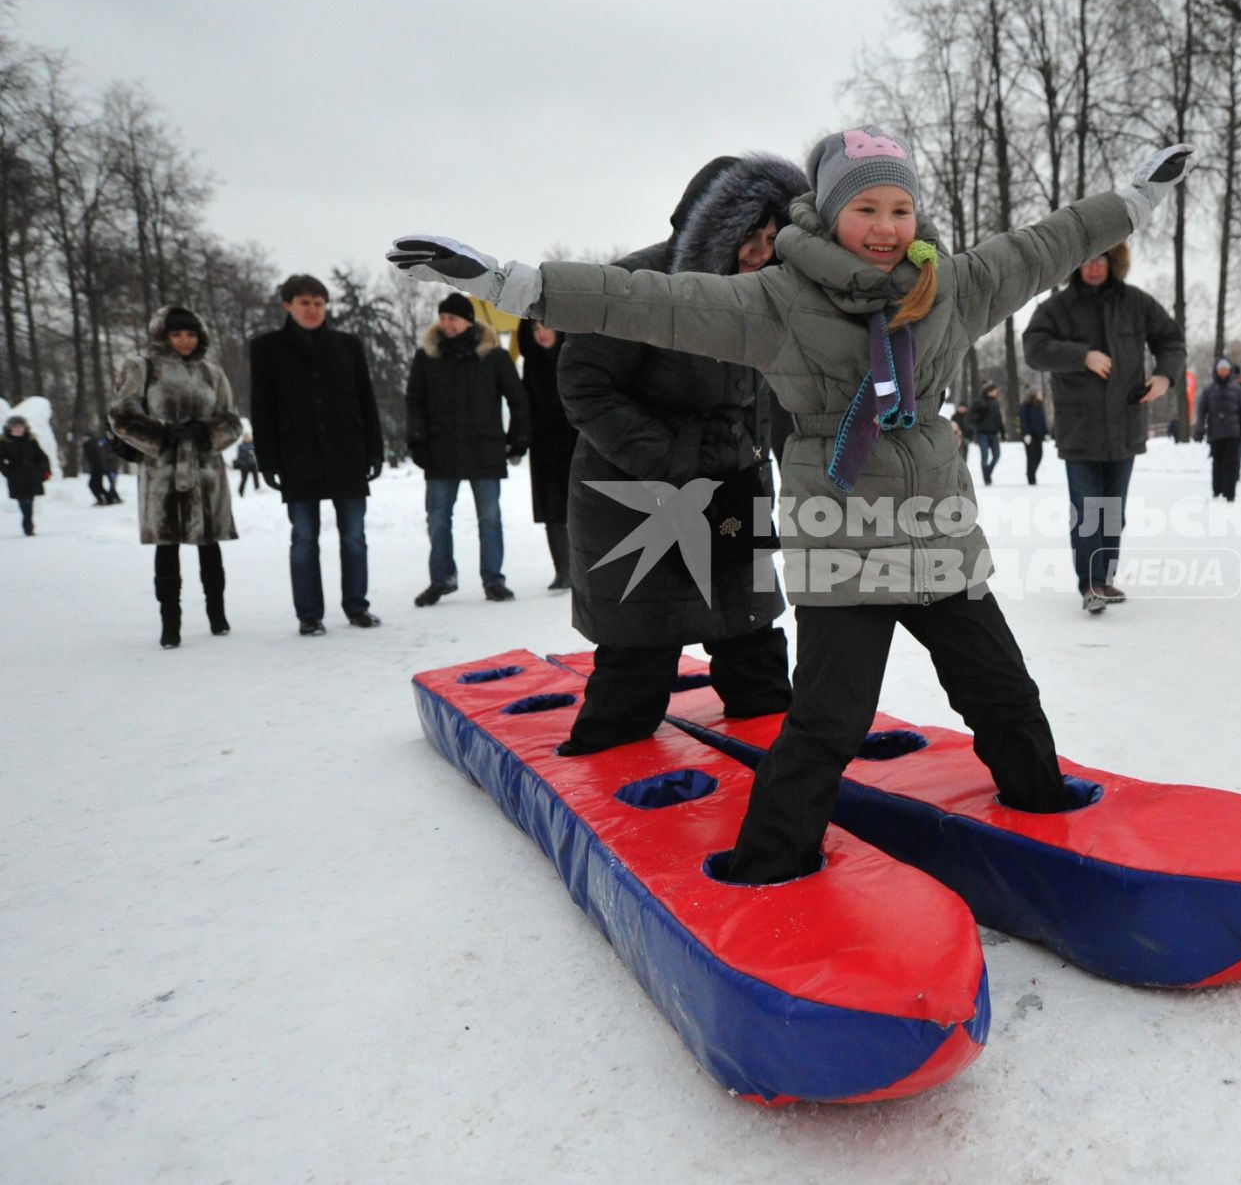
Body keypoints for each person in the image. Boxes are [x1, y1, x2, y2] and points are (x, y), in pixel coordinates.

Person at [389, 124, 1195, 884]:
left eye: (899, 209)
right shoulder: (779, 300)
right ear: (829, 212)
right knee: (827, 721)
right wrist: (512, 286)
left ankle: (1045, 816)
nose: (884, 227)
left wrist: (1135, 199)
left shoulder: (952, 286)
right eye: (866, 209)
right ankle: (770, 864)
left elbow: (1049, 241)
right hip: (840, 537)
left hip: (938, 535)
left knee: (1004, 692)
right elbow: (649, 302)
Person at [553, 154, 803, 756]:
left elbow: (778, 391)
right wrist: (673, 457)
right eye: (750, 235)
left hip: (735, 492)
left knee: (754, 647)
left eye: (774, 238)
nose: (760, 252)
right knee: (638, 660)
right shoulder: (640, 289)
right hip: (638, 496)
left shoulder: (768, 297)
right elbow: (583, 383)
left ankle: (791, 788)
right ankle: (611, 789)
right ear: (712, 226)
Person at [1020, 240, 1184, 611]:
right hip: (1080, 429)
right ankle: (1090, 584)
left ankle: (1105, 580)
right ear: (1076, 265)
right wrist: (1082, 356)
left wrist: (1164, 377)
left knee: (1114, 511)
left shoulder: (1136, 304)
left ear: (1114, 262)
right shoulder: (1058, 308)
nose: (1093, 268)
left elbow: (1171, 340)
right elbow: (1033, 348)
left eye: (1101, 260)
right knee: (1086, 509)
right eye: (1086, 261)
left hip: (1126, 425)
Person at [250, 274, 386, 635]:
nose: (312, 309)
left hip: (348, 455)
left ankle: (357, 606)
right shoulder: (267, 348)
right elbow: (262, 409)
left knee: (354, 536)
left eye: (318, 303)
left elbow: (366, 400)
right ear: (287, 305)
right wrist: (268, 460)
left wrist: (375, 450)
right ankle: (309, 614)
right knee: (305, 538)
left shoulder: (347, 345)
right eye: (304, 302)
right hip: (298, 458)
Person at [107, 306, 241, 647]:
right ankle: (170, 623)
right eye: (178, 334)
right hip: (162, 473)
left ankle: (218, 615)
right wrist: (162, 434)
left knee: (209, 547)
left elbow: (232, 420)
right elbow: (121, 414)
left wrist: (204, 431)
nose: (185, 340)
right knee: (166, 550)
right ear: (164, 336)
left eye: (191, 334)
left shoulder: (212, 373)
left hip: (205, 472)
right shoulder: (142, 368)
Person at [406, 293, 528, 606]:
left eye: (453, 318)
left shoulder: (494, 357)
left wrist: (518, 438)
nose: (447, 324)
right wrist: (416, 440)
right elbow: (414, 403)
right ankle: (441, 579)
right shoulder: (426, 357)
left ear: (468, 321)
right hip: (440, 450)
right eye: (443, 317)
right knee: (437, 518)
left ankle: (493, 580)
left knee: (489, 518)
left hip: (485, 449)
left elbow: (517, 399)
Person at [516, 319, 578, 591]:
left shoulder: (574, 358)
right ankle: (563, 569)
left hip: (576, 444)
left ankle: (583, 566)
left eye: (546, 326)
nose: (541, 334)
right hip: (544, 448)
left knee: (579, 506)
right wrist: (519, 441)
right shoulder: (531, 364)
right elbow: (522, 407)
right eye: (535, 329)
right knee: (552, 510)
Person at [1195, 357, 1241, 502]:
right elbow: (1202, 410)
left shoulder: (1237, 389)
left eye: (1226, 370)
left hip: (1233, 431)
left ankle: (1230, 492)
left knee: (1232, 462)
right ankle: (1217, 489)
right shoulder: (1209, 390)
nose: (1223, 373)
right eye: (1221, 370)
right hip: (1215, 431)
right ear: (1217, 371)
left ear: (1229, 372)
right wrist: (1199, 429)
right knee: (1218, 462)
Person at [1, 415, 51, 535]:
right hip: (16, 476)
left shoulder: (31, 441)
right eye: (15, 427)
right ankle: (28, 523)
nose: (18, 429)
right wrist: (7, 472)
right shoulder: (4, 442)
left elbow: (42, 457)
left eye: (20, 427)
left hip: (32, 475)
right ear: (9, 429)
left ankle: (28, 522)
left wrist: (45, 470)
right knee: (23, 500)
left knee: (30, 499)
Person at [968, 383, 1005, 484]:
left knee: (997, 455)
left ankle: (987, 473)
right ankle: (986, 478)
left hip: (994, 433)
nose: (996, 392)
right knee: (985, 456)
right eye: (994, 390)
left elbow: (999, 418)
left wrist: (1002, 432)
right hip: (982, 433)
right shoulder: (979, 402)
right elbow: (971, 417)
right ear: (989, 391)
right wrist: (980, 415)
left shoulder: (995, 403)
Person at [1018, 388, 1048, 485]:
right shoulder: (1025, 406)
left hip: (1038, 435)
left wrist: (1046, 432)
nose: (1041, 394)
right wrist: (1026, 434)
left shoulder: (1039, 405)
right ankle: (1031, 478)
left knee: (1039, 455)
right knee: (1031, 457)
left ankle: (1031, 472)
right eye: (1039, 393)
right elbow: (1023, 421)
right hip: (1029, 436)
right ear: (1033, 394)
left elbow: (1042, 420)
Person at [81, 430, 120, 505]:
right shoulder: (94, 443)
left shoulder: (91, 444)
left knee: (94, 485)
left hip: (101, 468)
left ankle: (109, 499)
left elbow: (99, 457)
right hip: (102, 468)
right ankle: (110, 499)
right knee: (99, 486)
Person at [233, 432, 261, 496]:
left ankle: (257, 488)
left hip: (252, 464)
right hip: (245, 465)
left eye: (248, 437)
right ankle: (240, 491)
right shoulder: (241, 446)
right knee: (244, 479)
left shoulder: (252, 444)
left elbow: (254, 452)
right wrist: (248, 452)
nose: (247, 438)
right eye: (246, 437)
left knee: (256, 477)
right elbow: (240, 455)